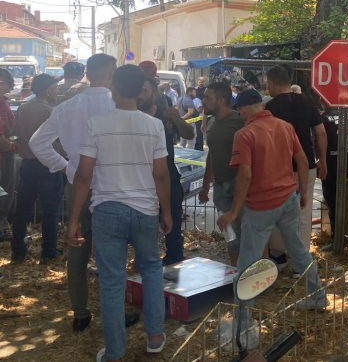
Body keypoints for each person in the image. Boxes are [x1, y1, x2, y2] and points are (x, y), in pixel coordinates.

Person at [30, 53, 142, 332]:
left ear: (87, 74)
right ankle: (114, 313)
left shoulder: (66, 107)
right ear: (112, 74)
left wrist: (65, 166)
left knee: (77, 251)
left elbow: (37, 143)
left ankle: (80, 313)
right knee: (112, 251)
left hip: (77, 185)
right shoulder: (119, 105)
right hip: (112, 187)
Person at [67, 64, 172, 362]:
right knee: (151, 270)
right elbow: (162, 175)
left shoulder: (96, 124)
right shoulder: (154, 125)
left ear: (114, 88)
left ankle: (114, 352)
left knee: (112, 281)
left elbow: (84, 176)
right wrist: (166, 211)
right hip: (145, 211)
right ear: (141, 91)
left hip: (107, 211)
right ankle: (155, 336)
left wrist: (74, 219)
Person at [217, 89, 328, 310]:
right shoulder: (285, 127)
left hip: (260, 206)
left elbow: (245, 174)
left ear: (241, 111)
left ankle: (243, 321)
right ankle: (318, 297)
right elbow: (302, 160)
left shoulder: (244, 134)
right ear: (263, 106)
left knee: (247, 263)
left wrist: (234, 211)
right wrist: (303, 192)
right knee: (298, 250)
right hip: (289, 198)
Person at [264, 65, 327, 265]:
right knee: (304, 212)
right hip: (306, 164)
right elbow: (321, 133)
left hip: (279, 168)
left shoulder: (270, 107)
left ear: (272, 83)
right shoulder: (307, 102)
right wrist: (322, 159)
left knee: (277, 209)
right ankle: (301, 259)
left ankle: (278, 254)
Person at [137, 76, 195, 265]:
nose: (140, 95)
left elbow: (189, 134)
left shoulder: (166, 116)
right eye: (138, 90)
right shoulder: (131, 118)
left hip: (168, 176)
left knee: (173, 222)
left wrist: (177, 119)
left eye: (144, 91)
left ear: (154, 94)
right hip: (140, 180)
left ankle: (175, 259)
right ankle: (144, 261)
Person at [10, 74, 65, 263]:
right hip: (49, 167)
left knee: (22, 209)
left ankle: (17, 249)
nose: (57, 91)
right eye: (55, 88)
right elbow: (60, 141)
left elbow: (15, 135)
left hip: (27, 165)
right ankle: (48, 252)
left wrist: (13, 144)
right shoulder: (51, 111)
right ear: (48, 90)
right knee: (51, 211)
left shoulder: (23, 109)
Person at [198, 81, 246, 266]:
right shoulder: (211, 122)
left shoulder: (239, 120)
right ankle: (235, 268)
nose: (203, 101)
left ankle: (251, 270)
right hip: (220, 186)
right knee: (229, 232)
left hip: (239, 184)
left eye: (207, 97)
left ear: (221, 100)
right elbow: (212, 153)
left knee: (246, 230)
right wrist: (205, 185)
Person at [320, 107, 348, 244]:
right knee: (339, 199)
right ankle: (339, 235)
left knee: (332, 200)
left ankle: (337, 238)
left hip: (332, 163)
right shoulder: (347, 114)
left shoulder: (324, 118)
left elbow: (321, 137)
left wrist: (321, 160)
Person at [0, 68, 16, 240]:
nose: (10, 90)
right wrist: (10, 142)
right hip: (3, 155)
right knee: (3, 193)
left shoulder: (3, 103)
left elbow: (10, 128)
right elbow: (4, 131)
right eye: (9, 86)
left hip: (5, 152)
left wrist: (11, 139)